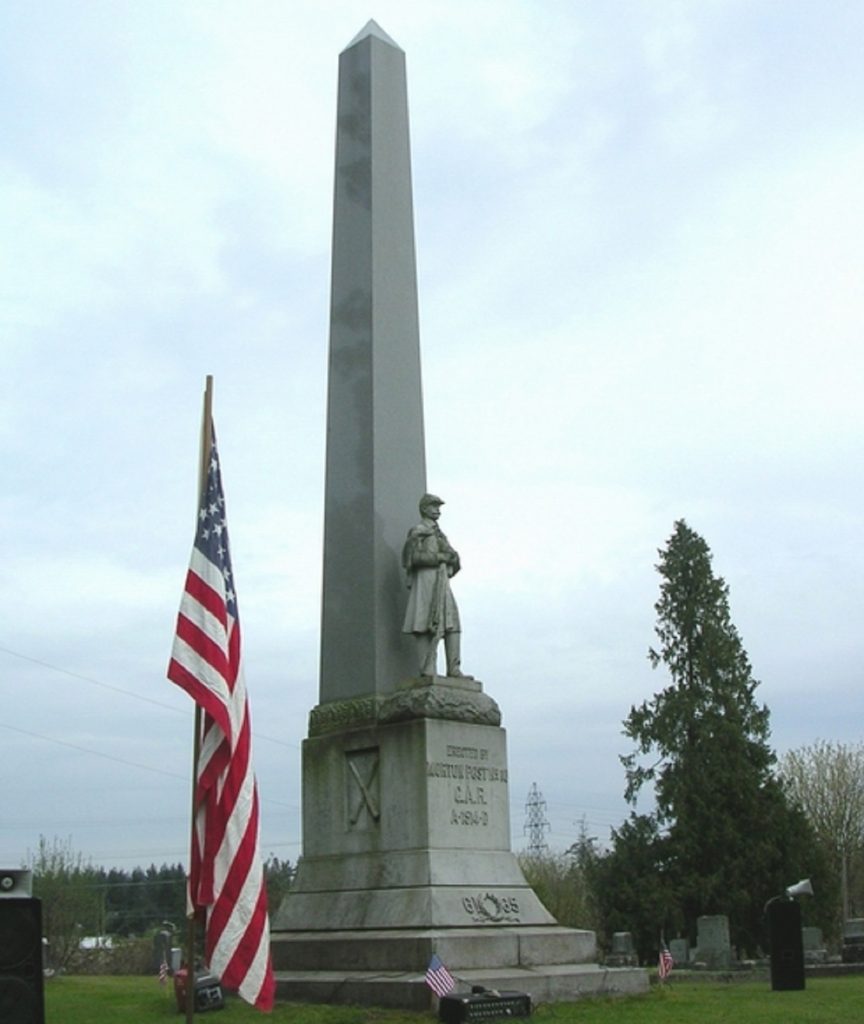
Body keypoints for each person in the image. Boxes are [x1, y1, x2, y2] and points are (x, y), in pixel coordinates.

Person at [402, 493, 464, 677]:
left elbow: (454, 558)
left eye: (439, 507)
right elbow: (411, 559)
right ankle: (427, 668)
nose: (438, 510)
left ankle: (454, 668)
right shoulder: (418, 531)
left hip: (442, 580)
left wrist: (453, 557)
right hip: (426, 581)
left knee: (452, 622)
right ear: (424, 509)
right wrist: (440, 558)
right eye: (434, 506)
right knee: (424, 621)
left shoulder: (440, 534)